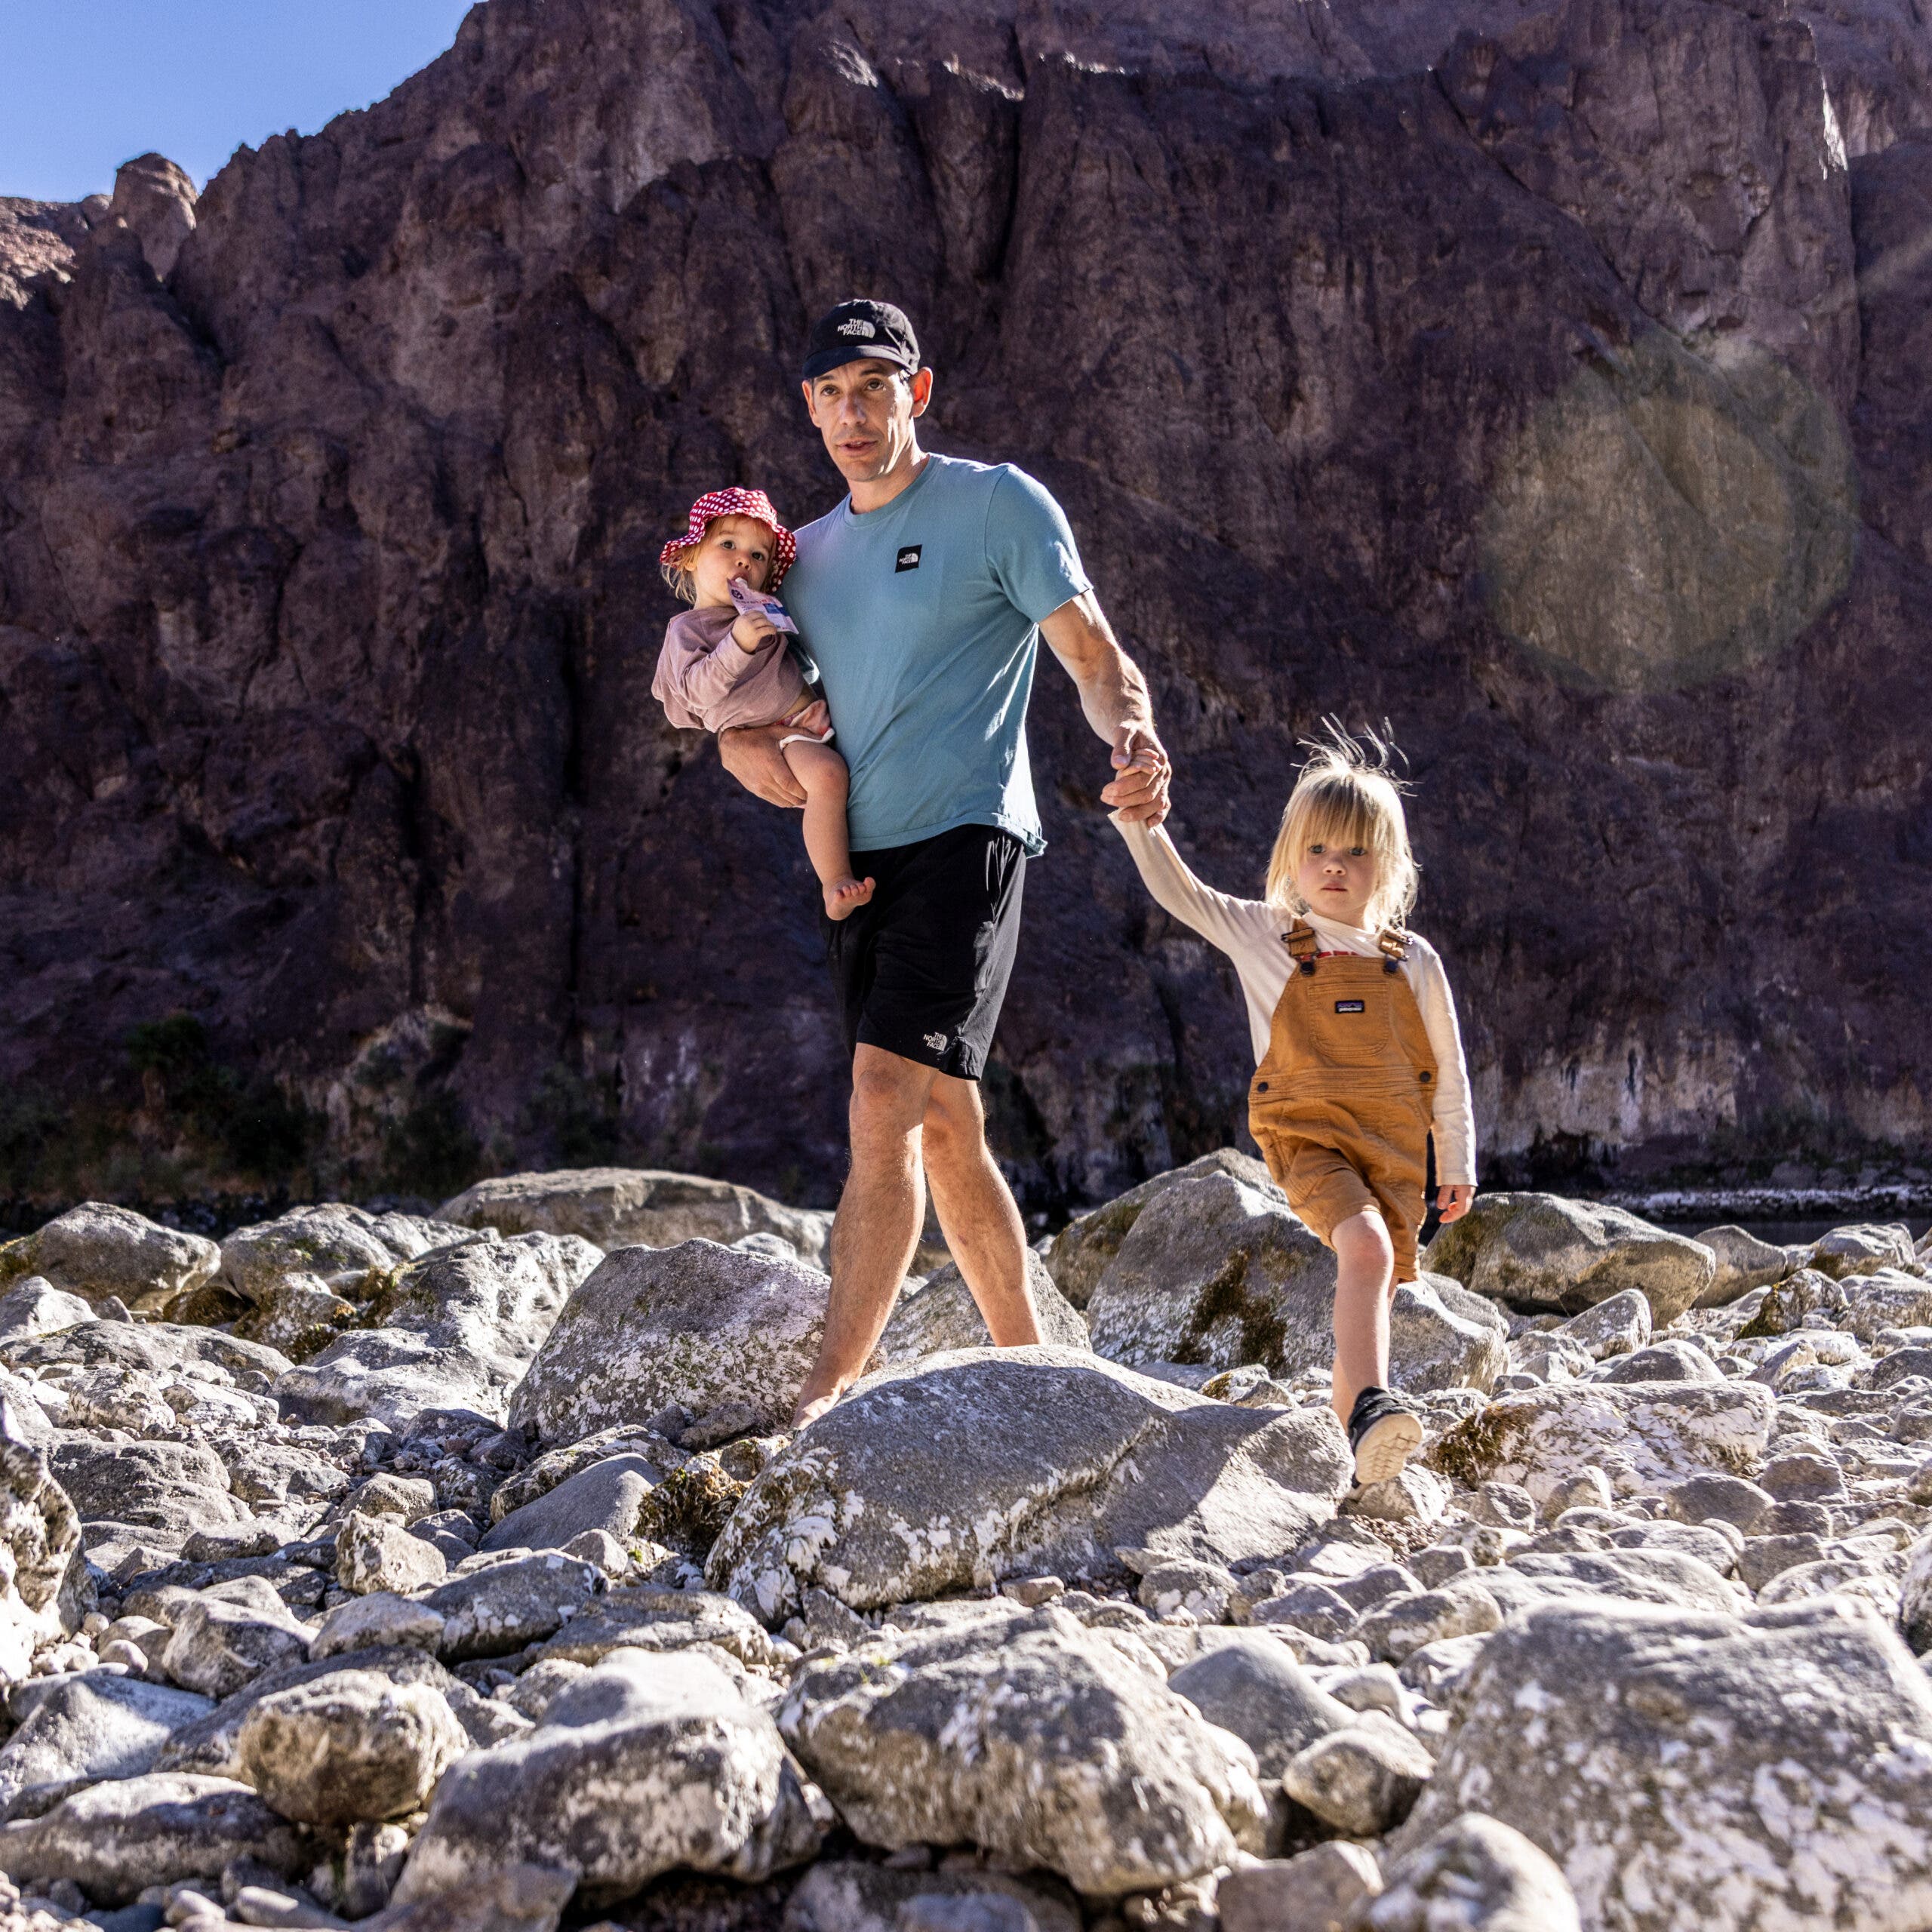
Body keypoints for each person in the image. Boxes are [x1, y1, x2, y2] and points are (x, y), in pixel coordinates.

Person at [717, 298, 1171, 1426]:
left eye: (874, 389)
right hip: (858, 865)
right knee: (945, 1127)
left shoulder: (997, 505)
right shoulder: (800, 559)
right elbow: (734, 701)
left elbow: (1094, 657)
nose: (852, 414)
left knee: (881, 1100)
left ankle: (827, 1391)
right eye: (831, 393)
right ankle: (1037, 1372)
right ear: (809, 407)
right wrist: (736, 752)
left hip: (970, 837)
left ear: (915, 393)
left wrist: (1134, 740)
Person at [1112, 725, 1477, 1484]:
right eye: (1317, 850)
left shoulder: (1413, 959)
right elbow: (1183, 895)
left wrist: (1457, 1162)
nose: (1334, 865)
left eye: (1355, 851)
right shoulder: (1269, 935)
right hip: (1307, 1138)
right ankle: (1373, 1404)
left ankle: (1360, 1454)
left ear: (1389, 865)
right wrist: (1141, 822)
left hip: (1394, 1147)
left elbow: (1446, 1071)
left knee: (1373, 1280)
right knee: (1367, 1249)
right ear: (1290, 859)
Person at [653, 488, 875, 920]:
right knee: (828, 778)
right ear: (691, 558)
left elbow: (797, 668)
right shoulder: (687, 631)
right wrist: (737, 645)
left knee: (843, 777)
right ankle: (834, 882)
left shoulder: (757, 611)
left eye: (758, 556)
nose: (744, 561)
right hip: (778, 733)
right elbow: (697, 692)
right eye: (728, 545)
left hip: (808, 716)